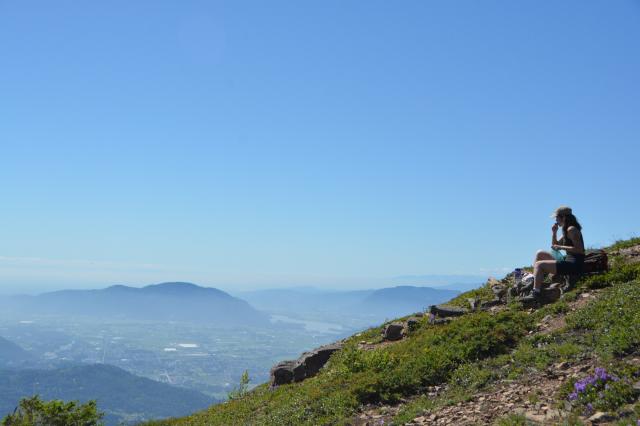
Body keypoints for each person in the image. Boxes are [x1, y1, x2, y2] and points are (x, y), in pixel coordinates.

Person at [527, 206, 585, 302]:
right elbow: (554, 245)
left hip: (574, 265)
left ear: (563, 217)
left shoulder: (571, 229)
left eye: (556, 217)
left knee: (539, 264)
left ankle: (535, 293)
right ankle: (535, 281)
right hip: (568, 261)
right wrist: (554, 232)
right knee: (540, 253)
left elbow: (580, 250)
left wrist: (561, 247)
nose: (556, 220)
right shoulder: (566, 230)